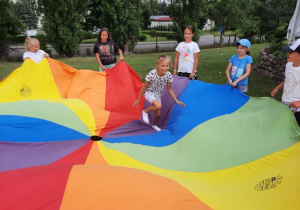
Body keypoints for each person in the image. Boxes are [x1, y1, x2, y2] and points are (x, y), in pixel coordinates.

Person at [133, 55, 185, 131]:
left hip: (157, 94)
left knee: (158, 114)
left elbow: (169, 89)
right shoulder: (152, 74)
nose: (165, 68)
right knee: (158, 105)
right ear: (158, 65)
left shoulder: (168, 75)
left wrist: (176, 100)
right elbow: (144, 87)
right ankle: (145, 112)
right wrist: (138, 99)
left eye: (167, 66)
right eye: (163, 66)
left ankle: (153, 125)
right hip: (149, 92)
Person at [271, 39, 300, 126]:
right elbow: (288, 79)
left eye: (291, 52)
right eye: (287, 51)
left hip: (297, 109)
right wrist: (277, 88)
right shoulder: (289, 65)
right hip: (285, 103)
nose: (287, 53)